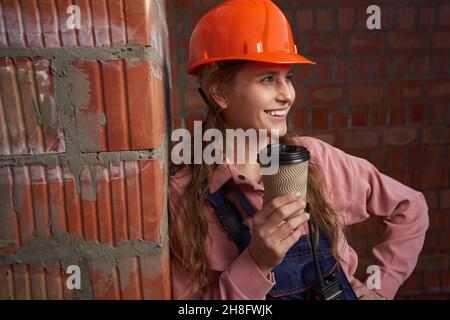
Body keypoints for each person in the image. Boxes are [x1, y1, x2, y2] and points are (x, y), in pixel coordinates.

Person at [169, 0, 429, 300]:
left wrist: (380, 288)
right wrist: (256, 263)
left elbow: (410, 207)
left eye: (288, 78)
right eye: (268, 79)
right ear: (219, 92)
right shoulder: (186, 194)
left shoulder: (318, 160)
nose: (287, 95)